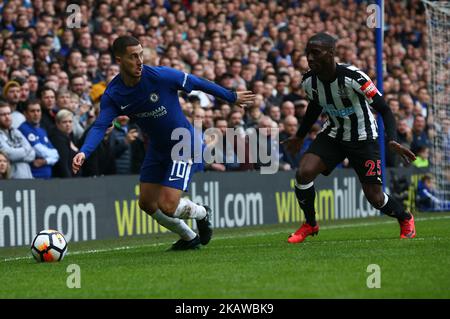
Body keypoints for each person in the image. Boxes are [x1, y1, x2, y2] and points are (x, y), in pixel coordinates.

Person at [72, 36, 255, 250]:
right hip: (157, 149)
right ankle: (189, 238)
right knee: (147, 203)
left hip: (183, 145)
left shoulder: (161, 76)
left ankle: (202, 213)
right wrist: (84, 152)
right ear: (119, 60)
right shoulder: (114, 94)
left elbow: (197, 82)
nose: (140, 60)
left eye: (141, 54)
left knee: (168, 205)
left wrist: (231, 96)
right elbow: (100, 125)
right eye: (133, 56)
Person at [283, 33, 417, 243]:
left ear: (331, 53)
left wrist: (391, 139)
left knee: (375, 197)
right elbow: (315, 106)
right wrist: (300, 135)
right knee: (303, 173)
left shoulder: (354, 77)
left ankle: (405, 217)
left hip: (363, 137)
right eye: (307, 53)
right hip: (334, 133)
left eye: (315, 53)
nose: (309, 58)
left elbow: (384, 109)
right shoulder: (309, 81)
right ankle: (310, 223)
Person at [18, 100, 59, 179]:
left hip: (47, 178)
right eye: (32, 111)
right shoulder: (24, 129)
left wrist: (45, 161)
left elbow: (56, 154)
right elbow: (39, 151)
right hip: (34, 177)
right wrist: (50, 157)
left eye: (38, 111)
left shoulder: (42, 130)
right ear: (25, 114)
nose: (36, 114)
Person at [0, 101, 35, 179]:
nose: (7, 117)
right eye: (3, 115)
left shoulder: (16, 132)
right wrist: (25, 151)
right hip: (10, 181)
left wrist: (17, 154)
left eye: (9, 114)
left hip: (28, 178)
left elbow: (32, 154)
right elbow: (8, 155)